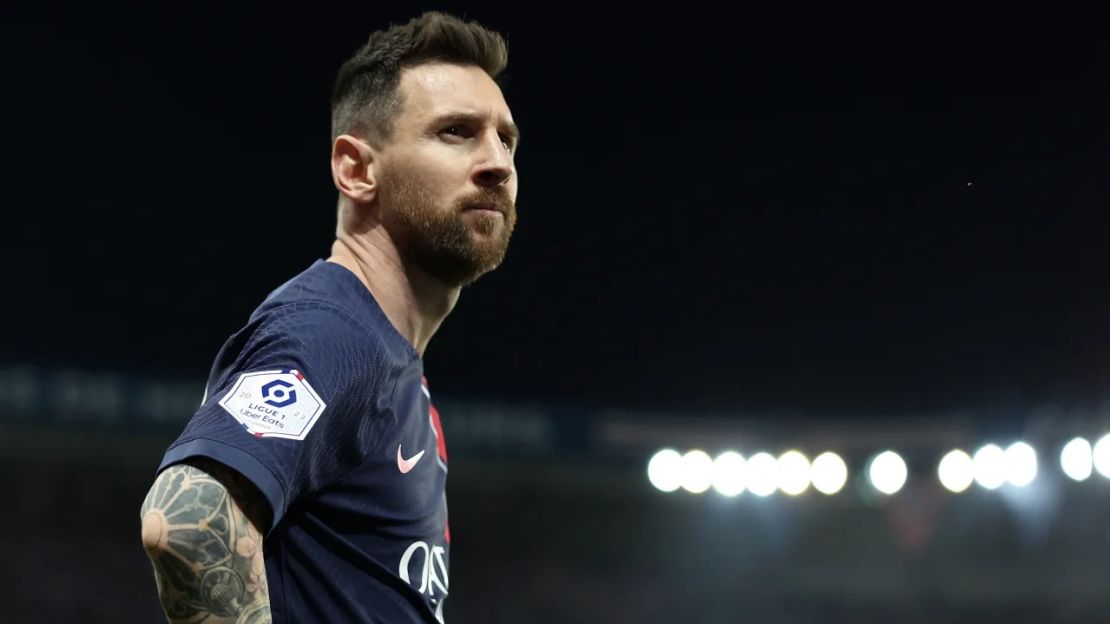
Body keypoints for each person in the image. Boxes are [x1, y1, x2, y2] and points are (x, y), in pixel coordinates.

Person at [139, 11, 520, 623]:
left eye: (506, 139)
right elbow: (186, 520)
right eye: (456, 132)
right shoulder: (334, 333)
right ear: (356, 168)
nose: (497, 162)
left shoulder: (389, 361)